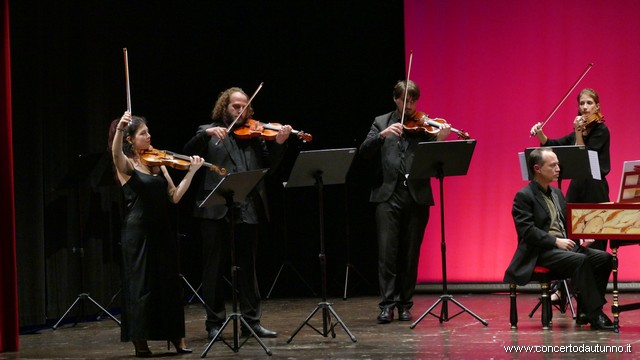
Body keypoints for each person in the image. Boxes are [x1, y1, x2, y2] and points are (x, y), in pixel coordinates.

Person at [183, 87, 291, 340]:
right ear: (224, 107)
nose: (240, 111)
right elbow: (189, 154)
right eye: (235, 106)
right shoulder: (207, 131)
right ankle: (214, 323)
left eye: (244, 107)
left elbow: (270, 169)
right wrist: (207, 134)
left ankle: (251, 322)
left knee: (248, 268)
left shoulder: (254, 136)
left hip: (247, 207)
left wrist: (279, 145)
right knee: (213, 268)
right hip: (215, 208)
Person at [110, 111, 204, 357]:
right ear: (131, 139)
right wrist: (120, 129)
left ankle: (178, 339)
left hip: (162, 231)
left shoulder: (158, 163)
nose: (149, 136)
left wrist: (192, 172)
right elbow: (116, 154)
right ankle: (140, 340)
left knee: (169, 284)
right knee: (141, 287)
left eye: (148, 132)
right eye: (143, 133)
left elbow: (174, 197)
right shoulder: (127, 165)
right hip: (137, 233)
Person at [359, 80, 451, 323]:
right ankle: (387, 305)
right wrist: (382, 136)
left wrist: (440, 139)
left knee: (411, 254)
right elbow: (364, 152)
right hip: (387, 196)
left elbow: (435, 159)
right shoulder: (381, 122)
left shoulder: (423, 125)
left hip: (416, 195)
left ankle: (404, 304)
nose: (410, 105)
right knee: (387, 253)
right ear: (395, 99)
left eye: (413, 100)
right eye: (405, 100)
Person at [504, 148, 614, 330]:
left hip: (563, 248)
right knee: (581, 261)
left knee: (605, 259)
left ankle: (585, 311)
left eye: (557, 164)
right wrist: (555, 241)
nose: (558, 168)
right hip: (540, 251)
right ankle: (596, 313)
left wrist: (580, 237)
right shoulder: (524, 196)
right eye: (552, 165)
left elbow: (566, 224)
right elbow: (527, 231)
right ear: (537, 169)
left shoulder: (557, 194)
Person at [530, 88, 611, 252]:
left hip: (595, 187)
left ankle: (597, 270)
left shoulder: (601, 131)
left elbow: (582, 156)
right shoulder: (577, 132)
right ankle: (573, 268)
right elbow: (553, 145)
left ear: (597, 107)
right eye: (582, 103)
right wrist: (540, 134)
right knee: (569, 225)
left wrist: (578, 132)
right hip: (578, 184)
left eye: (589, 103)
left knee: (596, 231)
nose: (585, 107)